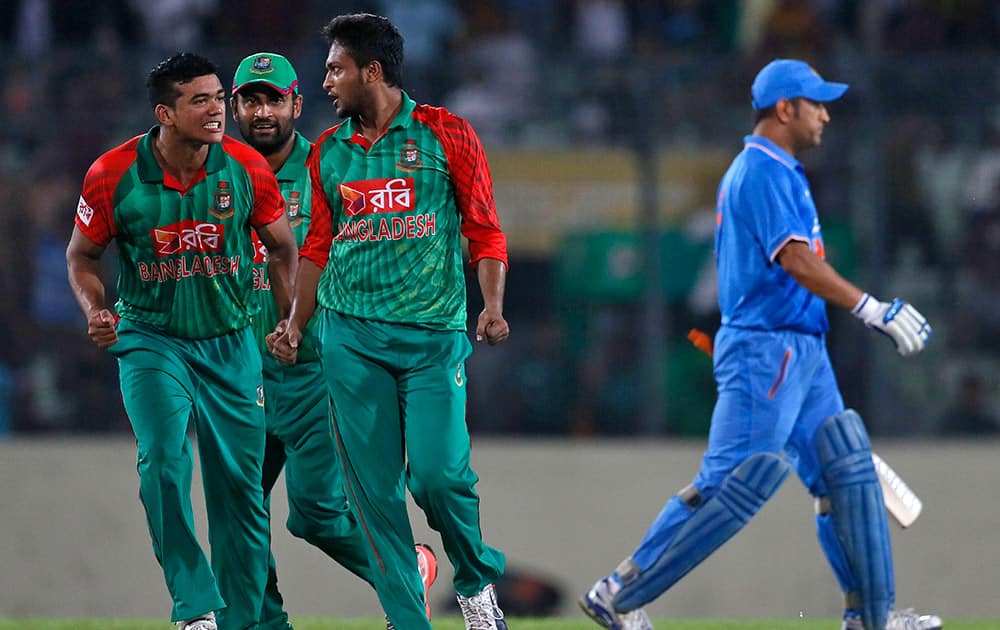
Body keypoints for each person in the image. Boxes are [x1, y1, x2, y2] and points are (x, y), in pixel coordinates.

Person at [579, 59, 941, 630]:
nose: (825, 114)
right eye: (816, 103)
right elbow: (795, 259)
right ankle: (619, 593)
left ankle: (872, 619)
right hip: (766, 350)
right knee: (731, 484)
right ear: (784, 108)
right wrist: (871, 308)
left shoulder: (783, 171)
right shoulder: (762, 171)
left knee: (846, 475)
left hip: (803, 348)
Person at [269, 13, 510, 630]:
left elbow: (483, 230)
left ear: (370, 71)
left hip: (431, 339)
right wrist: (297, 323)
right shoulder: (329, 152)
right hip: (350, 340)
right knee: (373, 496)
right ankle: (409, 621)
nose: (324, 82)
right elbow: (317, 247)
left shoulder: (447, 135)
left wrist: (491, 306)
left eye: (334, 69)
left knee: (436, 478)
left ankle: (476, 582)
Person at [65, 53, 298, 630]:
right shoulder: (111, 174)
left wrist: (287, 319)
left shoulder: (246, 167)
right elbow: (82, 255)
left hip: (231, 344)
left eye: (220, 98)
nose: (218, 109)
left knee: (240, 496)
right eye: (201, 100)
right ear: (165, 113)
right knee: (164, 463)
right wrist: (96, 308)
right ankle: (195, 609)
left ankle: (244, 623)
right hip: (151, 340)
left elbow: (284, 247)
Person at [229, 51, 438, 628]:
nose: (262, 111)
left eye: (274, 99)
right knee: (236, 514)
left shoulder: (329, 165)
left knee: (317, 515)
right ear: (233, 108)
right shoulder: (214, 174)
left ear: (297, 104)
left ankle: (405, 567)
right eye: (250, 99)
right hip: (236, 372)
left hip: (314, 371)